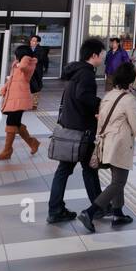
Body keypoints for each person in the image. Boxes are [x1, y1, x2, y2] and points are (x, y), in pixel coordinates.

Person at [78, 61, 136, 231]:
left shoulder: (108, 95)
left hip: (107, 144)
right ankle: (90, 212)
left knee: (116, 179)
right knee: (119, 182)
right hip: (119, 145)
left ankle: (118, 213)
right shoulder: (128, 100)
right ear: (131, 80)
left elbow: (101, 121)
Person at [47, 38, 105, 224]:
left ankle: (55, 209)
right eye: (101, 55)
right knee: (88, 169)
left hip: (69, 129)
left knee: (66, 170)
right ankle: (98, 207)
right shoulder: (87, 74)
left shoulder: (75, 72)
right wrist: (100, 105)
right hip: (81, 132)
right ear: (94, 55)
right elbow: (83, 96)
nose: (102, 58)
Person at [0, 45, 39, 160]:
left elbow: (24, 66)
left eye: (16, 54)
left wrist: (25, 57)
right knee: (16, 124)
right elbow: (12, 79)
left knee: (11, 122)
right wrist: (4, 88)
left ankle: (7, 150)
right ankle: (32, 142)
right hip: (12, 98)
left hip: (21, 99)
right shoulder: (16, 65)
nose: (15, 56)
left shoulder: (29, 65)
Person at [27, 33, 49, 110]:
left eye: (34, 41)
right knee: (27, 87)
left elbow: (39, 58)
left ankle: (34, 104)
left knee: (36, 87)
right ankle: (27, 103)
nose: (32, 42)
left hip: (37, 72)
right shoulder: (27, 49)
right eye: (31, 40)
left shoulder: (41, 50)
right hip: (28, 71)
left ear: (37, 42)